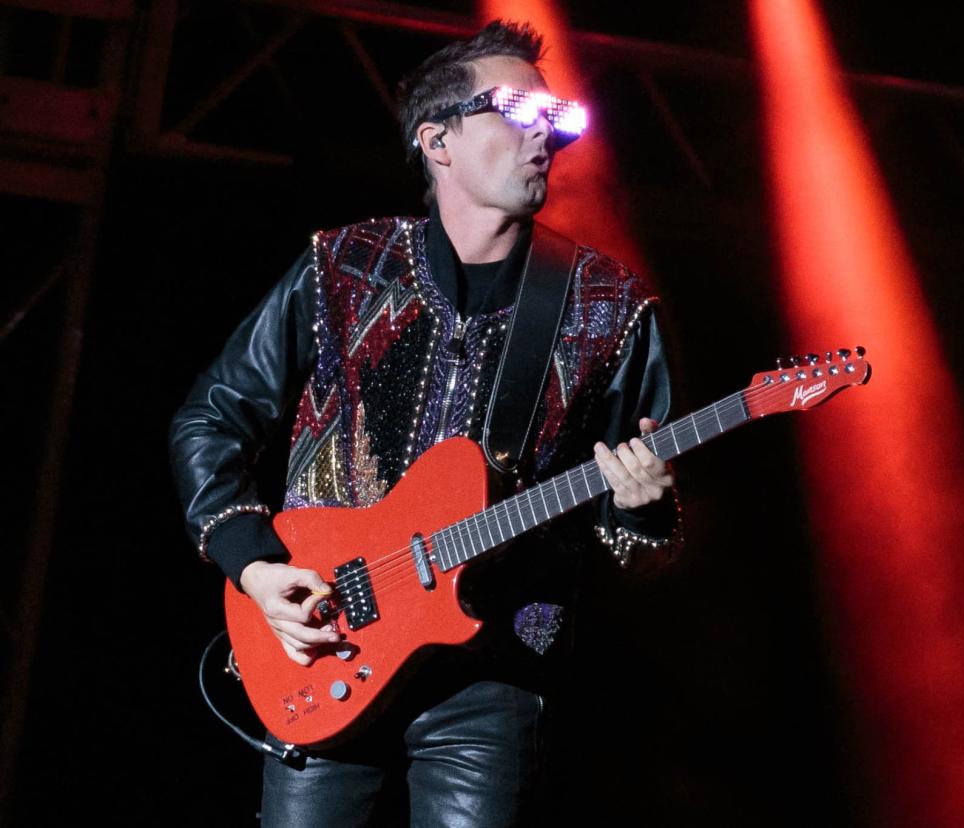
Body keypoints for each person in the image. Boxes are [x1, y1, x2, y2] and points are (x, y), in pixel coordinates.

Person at [169, 19, 681, 827]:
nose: (542, 132)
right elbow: (211, 419)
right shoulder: (341, 267)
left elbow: (646, 554)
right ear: (437, 140)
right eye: (515, 109)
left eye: (553, 116)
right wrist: (257, 567)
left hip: (495, 667)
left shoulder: (610, 307)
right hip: (328, 638)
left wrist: (643, 507)